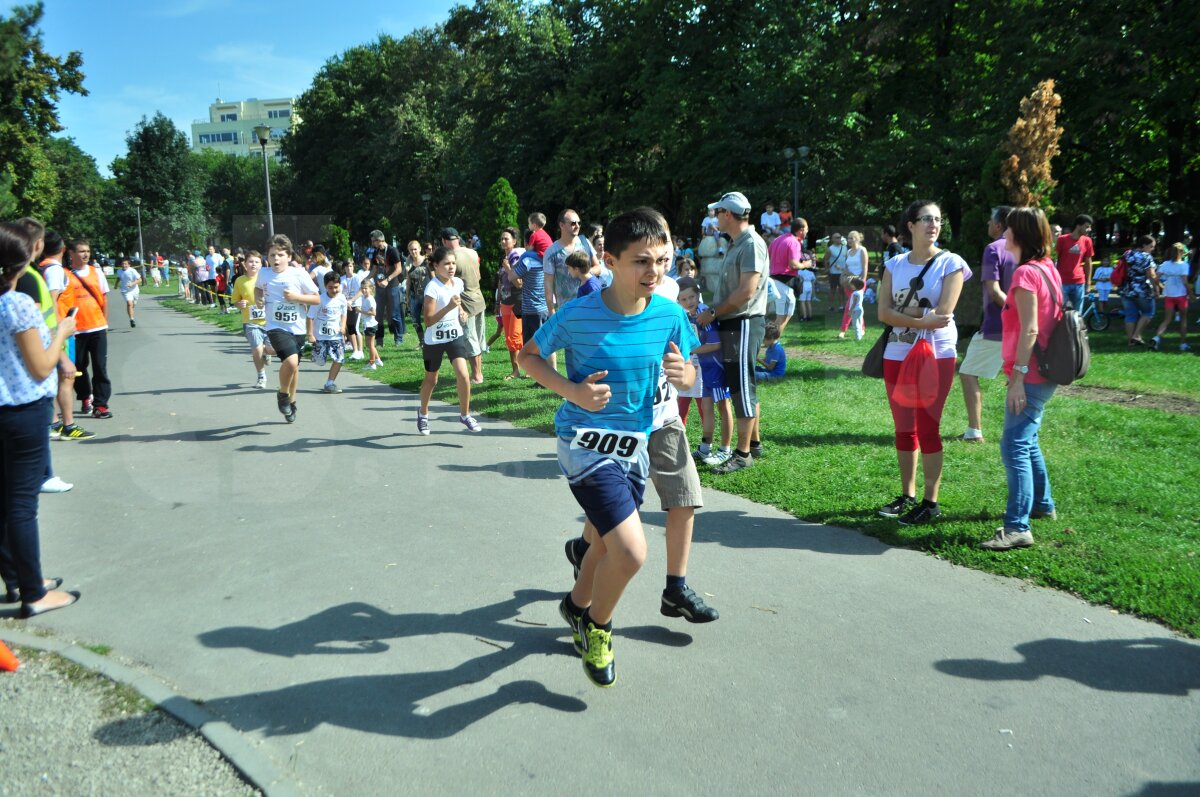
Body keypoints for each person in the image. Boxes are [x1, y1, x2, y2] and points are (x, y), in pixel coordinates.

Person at [517, 207, 698, 688]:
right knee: (632, 551)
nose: (653, 271)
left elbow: (690, 368)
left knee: (601, 543)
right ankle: (599, 625)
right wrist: (573, 391)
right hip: (583, 444)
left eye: (660, 260)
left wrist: (687, 376)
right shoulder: (578, 313)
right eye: (641, 261)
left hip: (634, 447)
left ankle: (575, 606)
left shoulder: (670, 315)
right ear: (610, 260)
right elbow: (527, 357)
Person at [0, 221, 80, 617]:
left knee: (4, 499)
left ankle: (16, 579)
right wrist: (62, 332)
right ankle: (33, 591)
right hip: (23, 408)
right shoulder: (16, 304)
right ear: (22, 258)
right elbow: (39, 366)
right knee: (20, 504)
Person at [875, 200, 967, 526]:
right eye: (926, 219)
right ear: (910, 225)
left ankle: (931, 502)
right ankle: (907, 495)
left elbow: (943, 315)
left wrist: (908, 316)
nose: (933, 224)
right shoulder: (894, 265)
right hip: (897, 353)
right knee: (903, 428)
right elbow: (882, 313)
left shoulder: (951, 263)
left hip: (937, 354)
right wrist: (921, 316)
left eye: (938, 219)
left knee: (928, 427)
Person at [980, 207, 1061, 551]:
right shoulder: (1047, 268)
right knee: (1027, 440)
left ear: (1019, 235)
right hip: (1045, 372)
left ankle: (1017, 527)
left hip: (1032, 373)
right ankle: (1043, 505)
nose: (1003, 234)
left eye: (1009, 229)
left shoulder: (1027, 274)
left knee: (1013, 446)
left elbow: (1030, 328)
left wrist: (1017, 378)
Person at [694, 191, 770, 473]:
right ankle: (755, 443)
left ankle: (743, 454)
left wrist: (713, 312)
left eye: (718, 213)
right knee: (741, 383)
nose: (715, 218)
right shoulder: (739, 242)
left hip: (743, 321)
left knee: (741, 387)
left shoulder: (750, 243)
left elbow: (746, 292)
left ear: (728, 214)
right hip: (735, 321)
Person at [958, 206, 1015, 443]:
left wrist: (1014, 314)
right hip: (1026, 329)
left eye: (990, 221)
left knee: (967, 372)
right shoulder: (1027, 248)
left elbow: (993, 291)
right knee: (1016, 378)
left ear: (999, 225)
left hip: (997, 326)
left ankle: (974, 431)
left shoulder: (994, 249)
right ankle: (1017, 434)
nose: (987, 225)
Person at [254, 235, 319, 423]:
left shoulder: (298, 274)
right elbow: (258, 288)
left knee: (295, 368)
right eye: (272, 255)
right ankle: (283, 395)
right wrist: (258, 296)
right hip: (275, 326)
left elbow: (316, 298)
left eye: (280, 255)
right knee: (291, 362)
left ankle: (292, 401)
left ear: (289, 257)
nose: (275, 259)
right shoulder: (264, 273)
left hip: (296, 328)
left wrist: (296, 297)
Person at [417, 246, 481, 434]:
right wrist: (448, 308)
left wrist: (461, 311)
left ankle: (465, 415)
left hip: (454, 336)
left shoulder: (458, 283)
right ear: (436, 266)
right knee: (431, 379)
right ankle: (423, 414)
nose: (451, 267)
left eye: (453, 263)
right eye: (446, 264)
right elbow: (428, 321)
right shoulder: (432, 288)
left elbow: (457, 305)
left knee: (463, 374)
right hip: (434, 341)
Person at [37, 231, 92, 440]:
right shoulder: (54, 270)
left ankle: (55, 422)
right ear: (62, 250)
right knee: (66, 377)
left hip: (53, 330)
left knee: (56, 378)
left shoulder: (41, 268)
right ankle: (66, 425)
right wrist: (58, 330)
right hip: (57, 331)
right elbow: (50, 303)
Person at [682, 280, 733, 465]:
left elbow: (715, 344)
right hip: (706, 369)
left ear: (698, 295)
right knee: (706, 407)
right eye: (684, 299)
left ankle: (725, 450)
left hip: (717, 368)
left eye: (692, 297)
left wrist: (692, 350)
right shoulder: (691, 316)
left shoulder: (705, 315)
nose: (689, 301)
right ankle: (705, 448)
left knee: (723, 407)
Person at [68, 239, 113, 419]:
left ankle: (101, 405)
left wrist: (105, 322)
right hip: (76, 330)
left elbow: (104, 299)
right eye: (81, 251)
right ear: (71, 254)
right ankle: (86, 396)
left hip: (97, 327)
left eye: (87, 251)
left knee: (100, 367)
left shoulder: (96, 273)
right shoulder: (66, 275)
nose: (86, 254)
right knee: (78, 367)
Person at [440, 228, 486, 384]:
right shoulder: (472, 252)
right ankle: (478, 373)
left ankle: (477, 375)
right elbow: (478, 276)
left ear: (444, 241)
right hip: (479, 298)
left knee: (470, 339)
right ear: (458, 238)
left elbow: (449, 283)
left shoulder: (451, 258)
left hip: (465, 302)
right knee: (478, 339)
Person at [544, 209, 598, 316]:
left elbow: (598, 267)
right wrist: (551, 311)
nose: (577, 226)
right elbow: (548, 286)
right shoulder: (551, 252)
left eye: (579, 223)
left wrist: (583, 272)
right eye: (573, 223)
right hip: (566, 310)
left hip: (589, 307)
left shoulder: (585, 242)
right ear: (562, 225)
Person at [232, 250, 271, 389]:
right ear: (245, 264)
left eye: (257, 262)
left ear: (261, 264)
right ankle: (261, 376)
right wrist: (239, 304)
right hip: (251, 322)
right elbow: (235, 300)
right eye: (250, 261)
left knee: (272, 349)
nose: (253, 264)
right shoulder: (240, 281)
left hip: (269, 321)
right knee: (257, 349)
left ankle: (267, 352)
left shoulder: (267, 278)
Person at [1119, 235, 1160, 347]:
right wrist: (1157, 288)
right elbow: (1151, 275)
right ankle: (1136, 336)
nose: (1153, 249)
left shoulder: (1127, 254)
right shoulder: (1146, 257)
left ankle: (1130, 342)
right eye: (1151, 247)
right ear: (1144, 245)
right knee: (1148, 312)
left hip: (1126, 288)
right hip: (1141, 289)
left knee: (1130, 315)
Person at [310, 271, 348, 392]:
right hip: (320, 335)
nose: (334, 290)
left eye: (336, 287)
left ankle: (330, 383)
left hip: (335, 335)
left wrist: (343, 327)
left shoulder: (342, 298)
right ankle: (317, 353)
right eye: (330, 287)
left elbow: (343, 314)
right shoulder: (319, 300)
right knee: (320, 361)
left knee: (339, 358)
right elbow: (309, 317)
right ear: (325, 286)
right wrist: (310, 334)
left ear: (340, 286)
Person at [513, 219, 549, 345]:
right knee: (544, 345)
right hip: (545, 307)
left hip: (531, 310)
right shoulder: (546, 261)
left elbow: (512, 277)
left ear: (527, 243)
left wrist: (509, 267)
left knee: (530, 348)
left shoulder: (527, 261)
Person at [1151, 242, 1190, 351]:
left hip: (1169, 295)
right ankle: (1182, 343)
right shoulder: (1184, 265)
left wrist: (1161, 286)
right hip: (1181, 295)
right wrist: (1191, 294)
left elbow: (1155, 278)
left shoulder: (1165, 264)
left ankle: (1157, 338)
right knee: (1183, 320)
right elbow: (1186, 283)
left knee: (1166, 320)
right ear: (1182, 252)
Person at [497, 227, 524, 379]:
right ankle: (516, 369)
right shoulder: (505, 259)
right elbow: (501, 283)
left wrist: (508, 269)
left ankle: (518, 370)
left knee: (515, 336)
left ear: (514, 241)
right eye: (501, 239)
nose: (503, 241)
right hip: (505, 302)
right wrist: (497, 302)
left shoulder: (517, 258)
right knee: (509, 337)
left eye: (506, 238)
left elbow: (519, 283)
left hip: (516, 301)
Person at [370, 230, 406, 346]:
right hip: (380, 287)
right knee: (378, 313)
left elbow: (399, 269)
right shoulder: (376, 251)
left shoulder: (392, 250)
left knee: (394, 313)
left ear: (379, 240)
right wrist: (366, 279)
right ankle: (379, 340)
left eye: (373, 241)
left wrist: (387, 279)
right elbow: (375, 269)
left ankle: (398, 339)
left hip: (392, 286)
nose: (372, 244)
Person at [1054, 214, 1094, 309]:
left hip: (1079, 282)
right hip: (1062, 282)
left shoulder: (1087, 241)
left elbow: (1088, 262)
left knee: (1077, 316)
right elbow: (1055, 260)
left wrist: (1088, 284)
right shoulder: (1062, 239)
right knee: (1061, 313)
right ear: (1078, 226)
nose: (1089, 229)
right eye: (1087, 227)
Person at [837, 231, 869, 337]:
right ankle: (862, 328)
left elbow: (865, 268)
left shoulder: (862, 250)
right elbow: (847, 266)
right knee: (856, 306)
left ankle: (843, 330)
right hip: (849, 282)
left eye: (851, 238)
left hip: (858, 282)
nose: (849, 240)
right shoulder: (849, 251)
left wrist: (861, 282)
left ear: (856, 238)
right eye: (848, 238)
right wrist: (843, 274)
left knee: (850, 306)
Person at [405, 241, 430, 345]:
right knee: (415, 320)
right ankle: (422, 342)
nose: (413, 251)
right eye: (411, 249)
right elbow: (408, 281)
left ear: (420, 249)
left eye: (415, 249)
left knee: (429, 319)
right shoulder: (408, 264)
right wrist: (407, 297)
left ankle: (430, 341)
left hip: (428, 295)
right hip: (414, 295)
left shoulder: (427, 261)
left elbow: (433, 276)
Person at [359, 279, 381, 369]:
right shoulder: (364, 298)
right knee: (368, 344)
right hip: (367, 324)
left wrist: (361, 311)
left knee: (370, 345)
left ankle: (372, 364)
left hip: (371, 324)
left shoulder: (370, 299)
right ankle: (378, 360)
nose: (364, 290)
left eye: (366, 288)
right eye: (362, 288)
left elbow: (373, 313)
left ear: (371, 288)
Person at [824, 231, 848, 312]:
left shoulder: (845, 248)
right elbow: (826, 259)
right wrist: (827, 269)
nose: (839, 239)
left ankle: (842, 306)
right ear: (832, 239)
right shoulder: (830, 249)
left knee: (842, 289)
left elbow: (847, 259)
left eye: (839, 237)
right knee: (833, 290)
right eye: (836, 237)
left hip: (842, 272)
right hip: (833, 273)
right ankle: (830, 306)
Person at [116, 258, 141, 327]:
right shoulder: (119, 271)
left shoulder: (132, 271)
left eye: (125, 264)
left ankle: (131, 312)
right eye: (122, 264)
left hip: (135, 290)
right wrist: (116, 285)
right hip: (125, 291)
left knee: (133, 305)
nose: (124, 265)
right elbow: (118, 278)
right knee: (129, 304)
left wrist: (132, 283)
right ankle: (132, 319)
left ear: (129, 265)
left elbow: (139, 280)